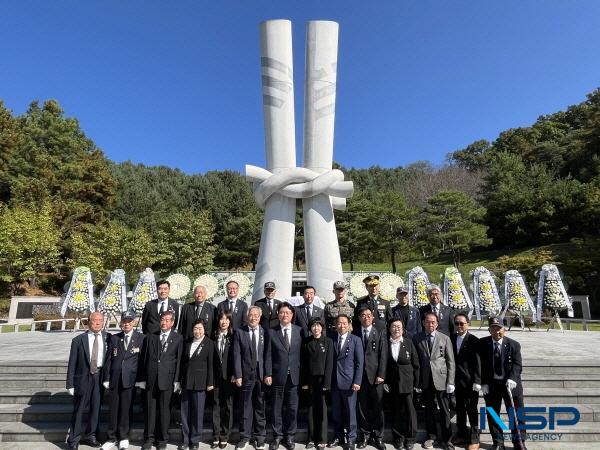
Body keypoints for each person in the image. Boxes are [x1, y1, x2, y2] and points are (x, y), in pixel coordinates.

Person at [136, 310, 184, 450]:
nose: (164, 322)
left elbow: (179, 360)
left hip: (167, 380)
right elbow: (143, 359)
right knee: (150, 410)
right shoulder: (151, 337)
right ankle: (148, 438)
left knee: (164, 411)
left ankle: (162, 439)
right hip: (151, 379)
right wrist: (142, 378)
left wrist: (177, 380)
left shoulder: (177, 338)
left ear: (173, 322)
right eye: (162, 319)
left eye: (167, 320)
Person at [479, 317, 527, 450]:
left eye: (499, 328)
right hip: (492, 385)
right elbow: (479, 365)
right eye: (493, 328)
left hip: (511, 386)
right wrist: (483, 382)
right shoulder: (483, 344)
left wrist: (512, 378)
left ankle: (519, 443)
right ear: (489, 330)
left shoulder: (514, 345)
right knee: (494, 415)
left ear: (504, 329)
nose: (497, 331)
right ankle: (498, 443)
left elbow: (517, 365)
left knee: (517, 415)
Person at [66, 311, 110, 450]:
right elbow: (72, 363)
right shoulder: (78, 340)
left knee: (96, 408)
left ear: (103, 322)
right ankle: (74, 439)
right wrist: (70, 384)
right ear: (89, 322)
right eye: (94, 320)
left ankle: (91, 436)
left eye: (100, 320)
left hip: (99, 377)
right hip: (83, 378)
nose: (97, 323)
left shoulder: (108, 338)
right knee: (79, 410)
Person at [102, 310, 145, 450]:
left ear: (133, 322)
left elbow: (142, 361)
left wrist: (141, 379)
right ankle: (111, 438)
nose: (126, 324)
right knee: (113, 409)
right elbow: (108, 359)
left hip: (130, 380)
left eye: (129, 321)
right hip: (115, 380)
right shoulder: (114, 338)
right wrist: (106, 377)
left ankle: (124, 437)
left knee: (126, 409)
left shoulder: (140, 338)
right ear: (121, 323)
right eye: (124, 322)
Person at [413, 312, 456, 450]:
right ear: (423, 323)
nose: (430, 324)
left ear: (437, 324)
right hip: (425, 380)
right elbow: (416, 361)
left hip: (441, 379)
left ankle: (447, 439)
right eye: (427, 321)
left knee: (444, 410)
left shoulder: (445, 338)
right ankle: (431, 437)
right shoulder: (417, 338)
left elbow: (451, 362)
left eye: (433, 322)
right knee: (429, 410)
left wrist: (450, 381)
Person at [233, 306, 271, 450]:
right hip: (245, 376)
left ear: (260, 317)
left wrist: (268, 373)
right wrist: (238, 375)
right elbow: (236, 355)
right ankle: (244, 437)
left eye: (256, 315)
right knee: (245, 407)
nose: (253, 317)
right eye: (251, 315)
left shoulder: (265, 332)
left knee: (260, 407)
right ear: (247, 316)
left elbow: (267, 355)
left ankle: (260, 438)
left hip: (261, 376)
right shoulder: (240, 332)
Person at [265, 302, 302, 450]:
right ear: (278, 314)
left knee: (292, 408)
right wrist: (267, 373)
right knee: (276, 408)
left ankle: (290, 436)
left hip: (294, 376)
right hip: (277, 376)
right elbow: (267, 355)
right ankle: (277, 436)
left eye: (287, 312)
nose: (284, 315)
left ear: (292, 315)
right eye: (282, 312)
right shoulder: (271, 332)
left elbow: (302, 356)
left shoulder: (299, 331)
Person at [328, 314, 364, 450]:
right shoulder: (331, 339)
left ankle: (351, 439)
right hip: (334, 382)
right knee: (336, 412)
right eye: (339, 323)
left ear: (349, 325)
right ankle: (338, 437)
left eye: (344, 323)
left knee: (350, 412)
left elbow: (359, 363)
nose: (342, 326)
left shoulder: (356, 340)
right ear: (335, 325)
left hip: (350, 383)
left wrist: (357, 381)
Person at [353, 307, 387, 450]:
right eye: (363, 315)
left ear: (373, 317)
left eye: (368, 315)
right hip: (360, 377)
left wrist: (381, 374)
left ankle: (378, 436)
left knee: (378, 407)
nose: (366, 317)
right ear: (359, 318)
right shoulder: (354, 333)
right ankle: (365, 435)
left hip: (376, 377)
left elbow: (383, 355)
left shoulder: (379, 332)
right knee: (362, 407)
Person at [179, 318, 215, 450]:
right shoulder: (187, 342)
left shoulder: (209, 343)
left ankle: (194, 440)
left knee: (198, 412)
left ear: (204, 330)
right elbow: (183, 363)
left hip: (201, 382)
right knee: (185, 412)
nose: (197, 331)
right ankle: (185, 439)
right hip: (186, 381)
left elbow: (211, 365)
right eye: (195, 328)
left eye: (200, 329)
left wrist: (210, 382)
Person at [385, 318, 420, 450]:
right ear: (389, 329)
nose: (396, 329)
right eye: (394, 326)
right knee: (396, 411)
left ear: (403, 329)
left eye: (399, 326)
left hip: (407, 383)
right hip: (392, 384)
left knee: (410, 412)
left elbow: (416, 365)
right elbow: (384, 364)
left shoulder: (409, 343)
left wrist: (416, 384)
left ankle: (410, 438)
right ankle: (398, 438)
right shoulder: (386, 343)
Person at [301, 317, 334, 450]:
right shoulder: (306, 342)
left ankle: (322, 439)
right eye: (313, 326)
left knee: (322, 411)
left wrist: (327, 382)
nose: (316, 328)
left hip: (322, 381)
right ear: (310, 328)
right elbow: (303, 364)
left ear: (322, 327)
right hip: (310, 381)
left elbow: (329, 364)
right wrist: (304, 382)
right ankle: (310, 438)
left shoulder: (328, 342)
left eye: (318, 325)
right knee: (310, 410)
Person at [450, 313, 482, 448]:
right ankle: (462, 434)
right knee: (460, 410)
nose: (459, 326)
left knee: (472, 410)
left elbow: (478, 363)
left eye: (461, 323)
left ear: (468, 324)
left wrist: (478, 381)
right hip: (456, 382)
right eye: (456, 323)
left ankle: (475, 439)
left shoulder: (474, 341)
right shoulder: (451, 338)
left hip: (470, 383)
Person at [211, 311, 235, 449]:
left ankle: (225, 435)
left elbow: (236, 357)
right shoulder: (213, 337)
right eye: (222, 319)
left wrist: (235, 374)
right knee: (216, 405)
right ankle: (216, 435)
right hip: (215, 377)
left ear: (230, 322)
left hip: (229, 377)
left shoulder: (233, 337)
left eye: (227, 319)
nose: (224, 322)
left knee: (228, 406)